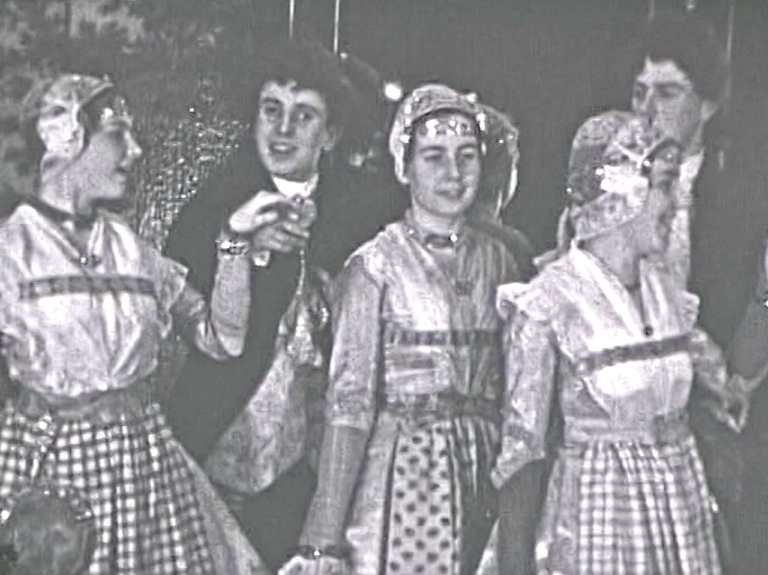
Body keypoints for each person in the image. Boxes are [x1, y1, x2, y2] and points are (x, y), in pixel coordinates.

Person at [0, 72, 267, 574]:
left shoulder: (132, 252)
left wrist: (234, 240)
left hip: (143, 480)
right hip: (45, 485)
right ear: (65, 137)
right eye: (118, 133)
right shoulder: (11, 253)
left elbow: (222, 340)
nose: (136, 151)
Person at [163, 39, 406, 570]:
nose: (283, 129)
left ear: (331, 134)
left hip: (322, 464)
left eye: (303, 116)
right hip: (215, 444)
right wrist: (241, 251)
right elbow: (185, 315)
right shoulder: (213, 205)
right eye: (271, 110)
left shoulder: (370, 210)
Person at [277, 84, 529, 575]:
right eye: (434, 157)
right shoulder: (374, 266)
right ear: (404, 166)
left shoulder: (500, 262)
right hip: (405, 480)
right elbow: (349, 402)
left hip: (483, 472)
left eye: (467, 156)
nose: (453, 173)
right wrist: (324, 534)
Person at [491, 110, 747, 575]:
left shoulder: (666, 294)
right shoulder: (553, 301)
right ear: (623, 193)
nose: (675, 205)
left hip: (679, 514)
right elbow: (522, 456)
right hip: (600, 519)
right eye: (664, 186)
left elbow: (710, 397)